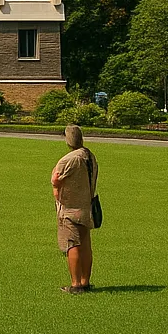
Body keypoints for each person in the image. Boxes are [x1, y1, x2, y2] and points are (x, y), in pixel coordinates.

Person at [52, 124, 98, 294]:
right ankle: (85, 281)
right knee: (85, 245)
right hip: (87, 207)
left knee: (72, 245)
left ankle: (75, 284)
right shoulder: (89, 155)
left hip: (71, 209)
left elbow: (56, 179)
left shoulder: (69, 159)